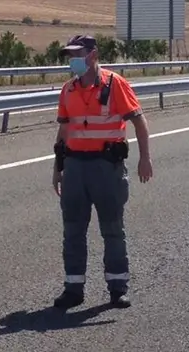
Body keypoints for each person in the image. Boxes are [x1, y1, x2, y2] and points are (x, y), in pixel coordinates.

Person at [51, 35, 153, 309]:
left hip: (106, 168)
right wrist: (57, 169)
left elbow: (139, 122)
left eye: (77, 54)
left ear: (93, 55)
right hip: (74, 168)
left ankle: (117, 288)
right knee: (72, 230)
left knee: (112, 230)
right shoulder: (68, 89)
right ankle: (73, 288)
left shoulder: (114, 84)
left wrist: (145, 158)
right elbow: (63, 131)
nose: (72, 60)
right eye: (69, 55)